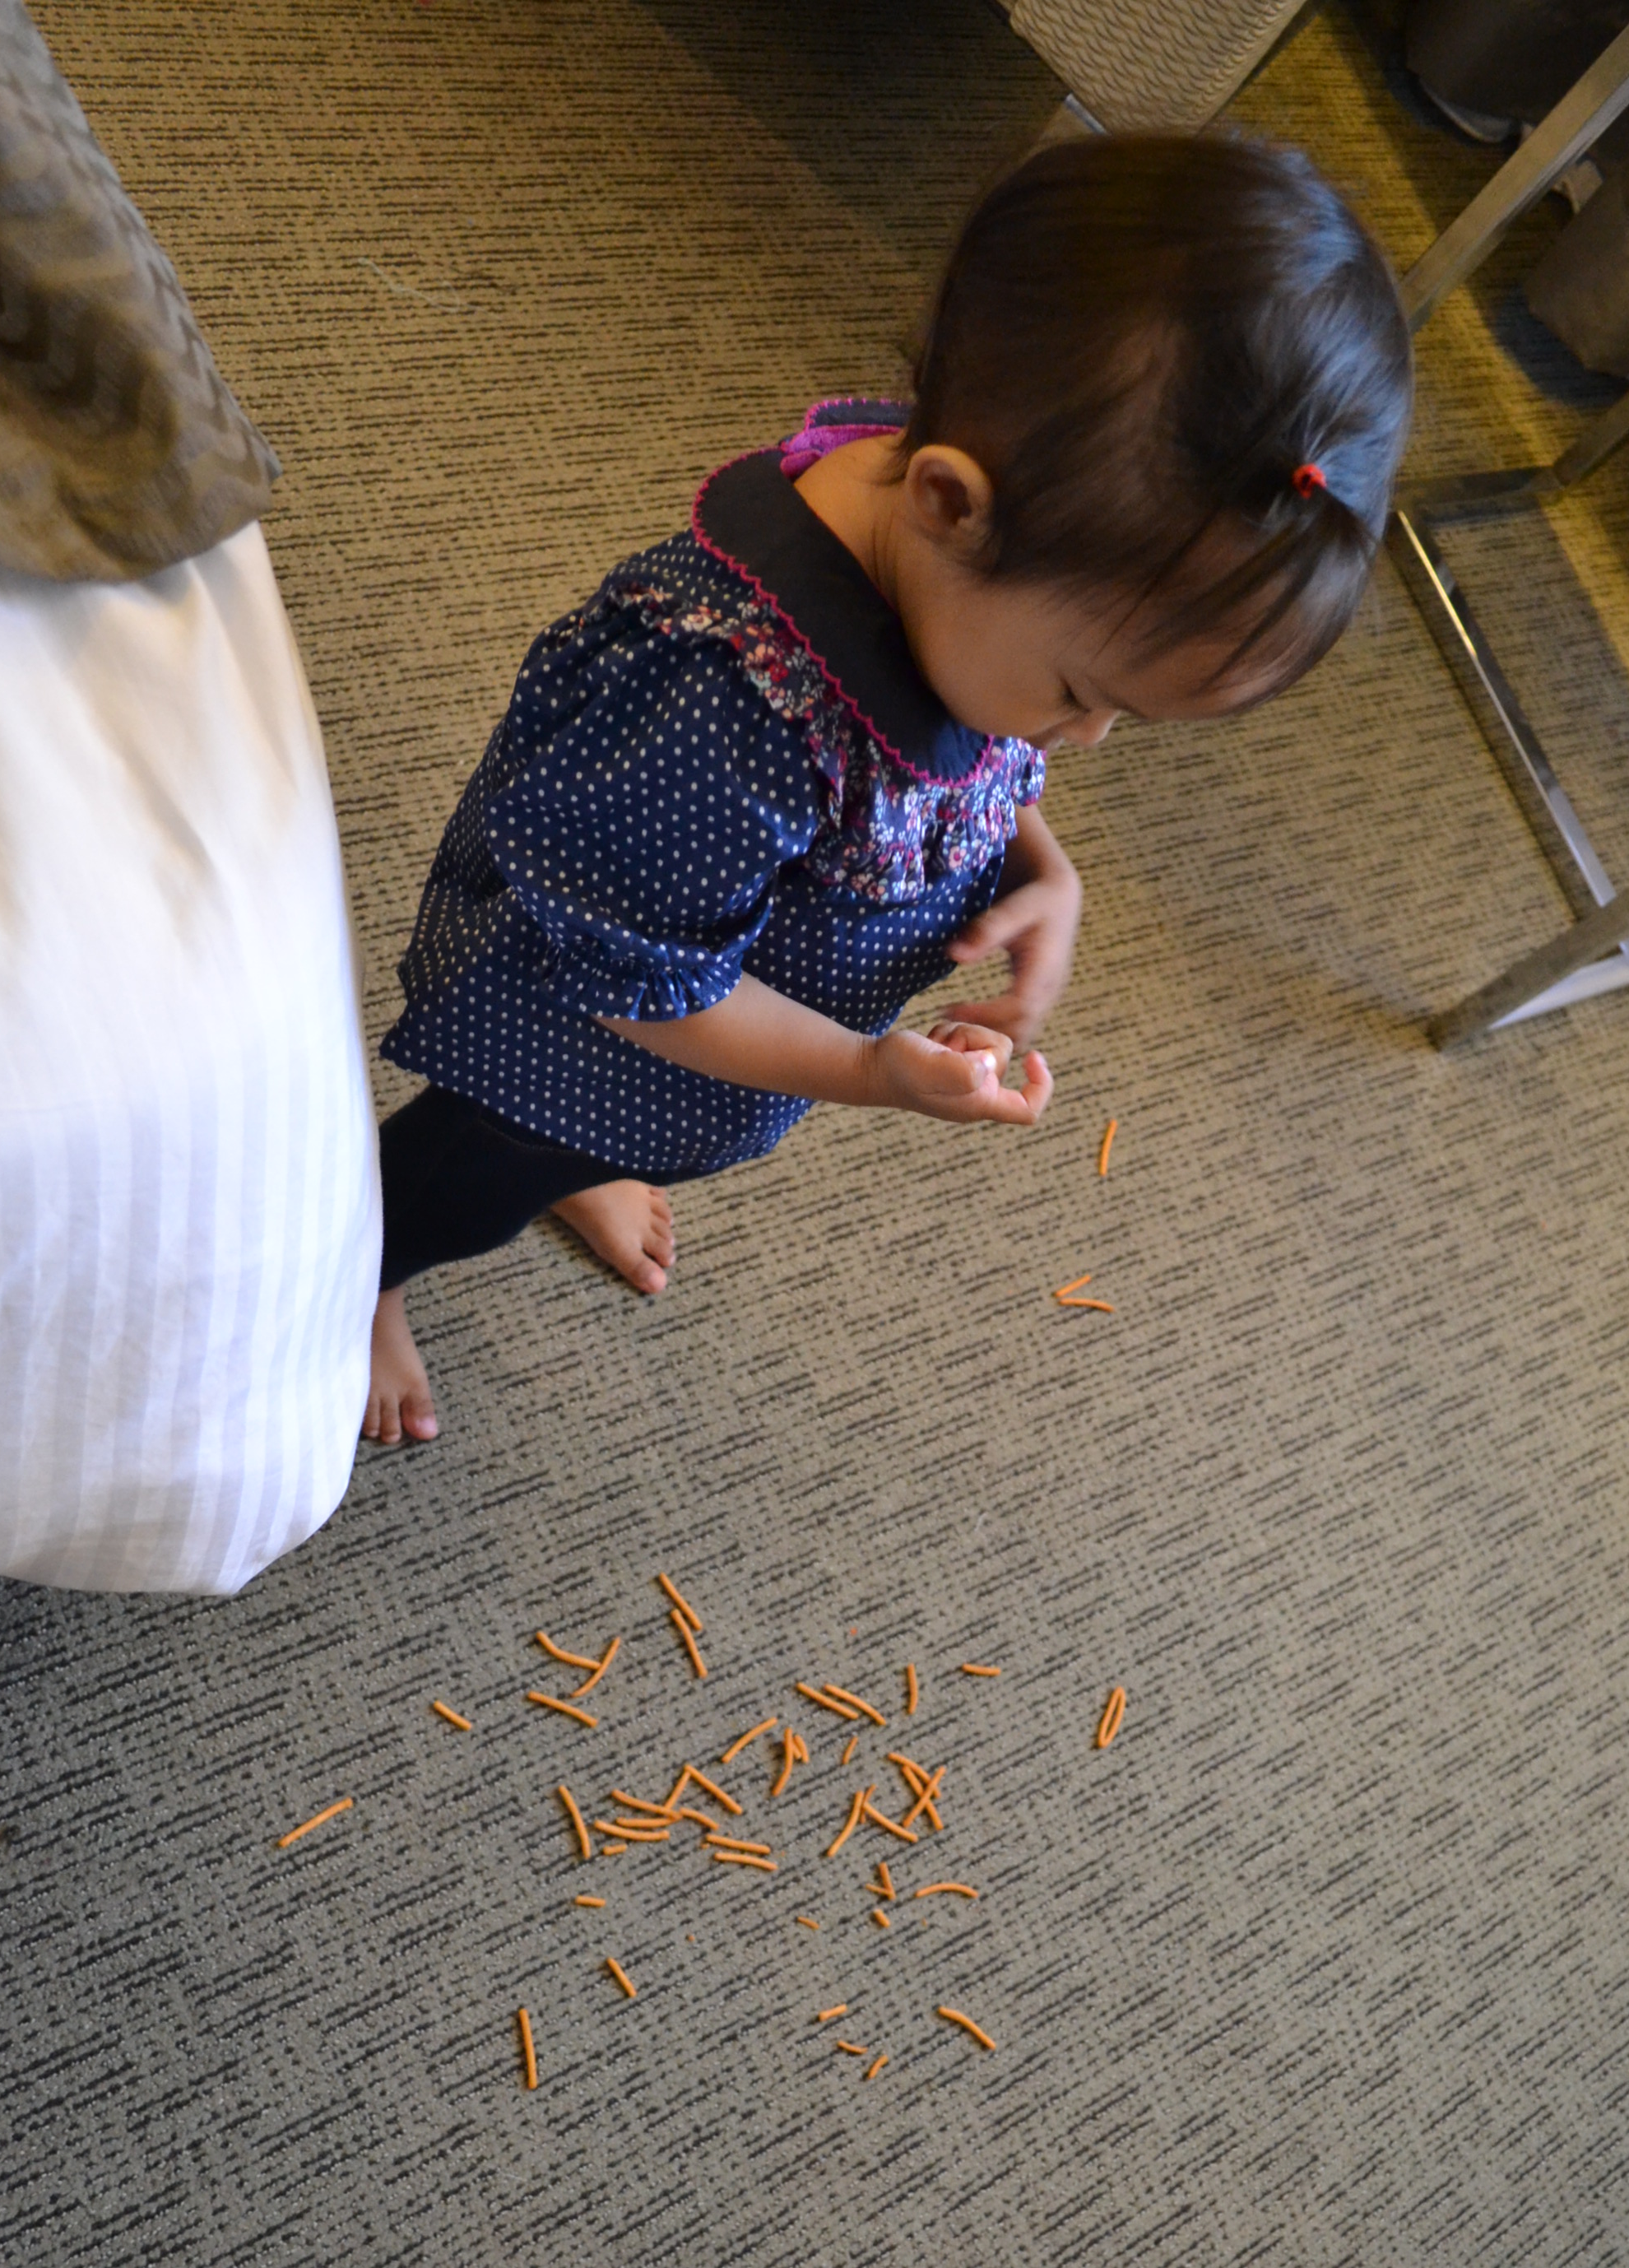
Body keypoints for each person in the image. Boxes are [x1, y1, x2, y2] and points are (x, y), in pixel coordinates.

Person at [364, 128, 1413, 1443]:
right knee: (474, 1165)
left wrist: (1042, 866)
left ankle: (574, 1163)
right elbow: (644, 980)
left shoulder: (958, 557)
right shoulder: (728, 708)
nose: (1085, 741)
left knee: (569, 1146)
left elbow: (955, 746)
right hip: (587, 1029)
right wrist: (868, 1071)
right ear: (948, 502)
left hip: (704, 1007)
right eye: (1082, 693)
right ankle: (363, 1274)